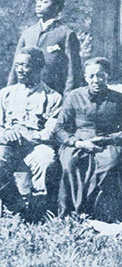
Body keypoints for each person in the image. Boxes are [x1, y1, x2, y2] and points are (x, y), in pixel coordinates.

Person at [55, 57, 122, 222]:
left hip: (107, 143)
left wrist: (107, 139)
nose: (96, 80)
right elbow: (59, 129)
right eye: (91, 76)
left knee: (111, 163)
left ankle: (100, 214)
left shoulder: (118, 99)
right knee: (70, 163)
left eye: (100, 75)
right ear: (85, 77)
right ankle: (73, 213)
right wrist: (77, 142)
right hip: (78, 141)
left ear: (107, 75)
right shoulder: (74, 96)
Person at [0, 47, 62, 221]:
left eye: (25, 66)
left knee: (46, 159)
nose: (20, 70)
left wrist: (26, 136)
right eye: (17, 65)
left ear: (38, 67)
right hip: (7, 144)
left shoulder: (53, 97)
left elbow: (51, 131)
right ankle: (15, 206)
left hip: (36, 145)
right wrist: (6, 134)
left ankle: (37, 210)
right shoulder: (5, 94)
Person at [8, 0, 83, 96]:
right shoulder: (28, 33)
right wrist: (10, 92)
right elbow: (15, 66)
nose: (38, 5)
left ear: (56, 6)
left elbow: (73, 70)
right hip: (26, 93)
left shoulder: (66, 34)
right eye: (38, 1)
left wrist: (68, 96)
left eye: (44, 2)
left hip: (54, 93)